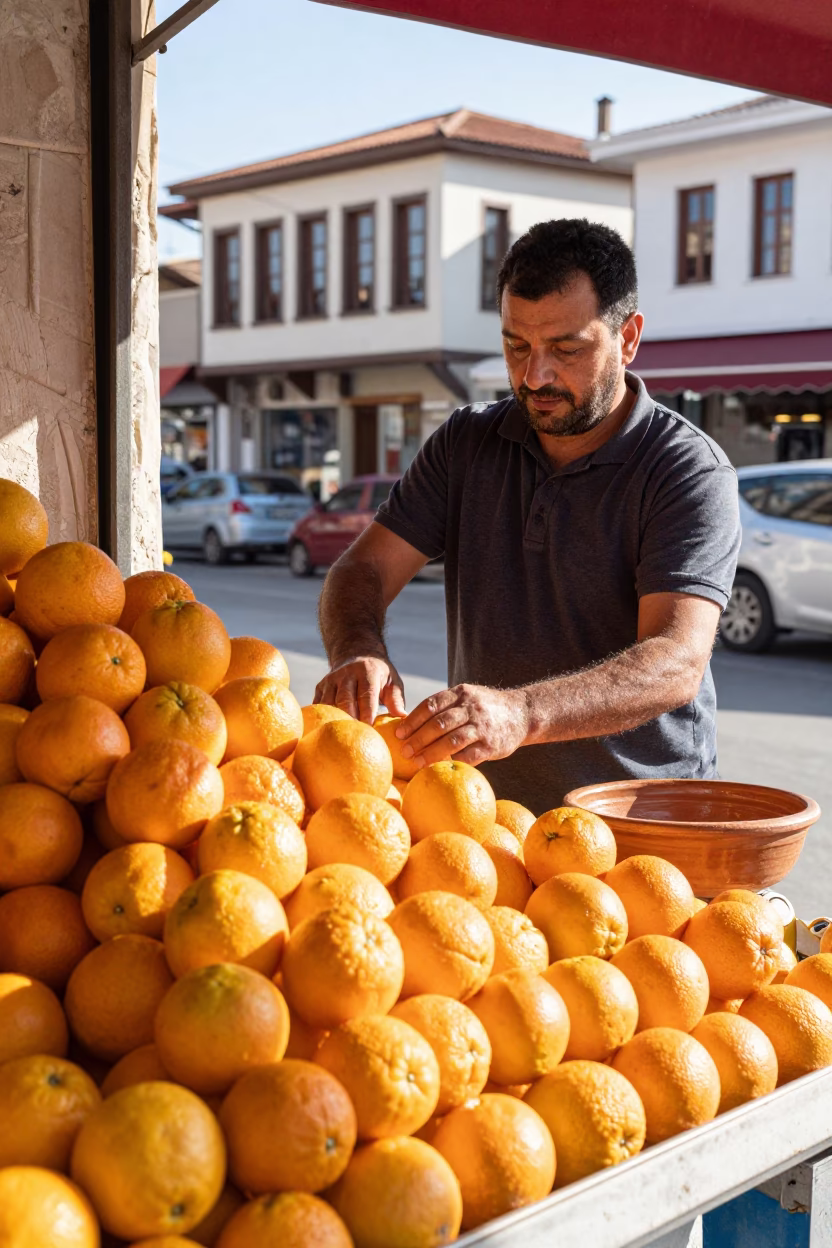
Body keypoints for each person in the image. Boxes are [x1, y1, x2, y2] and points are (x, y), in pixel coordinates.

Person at [315, 219, 741, 811]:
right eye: (517, 346)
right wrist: (359, 650)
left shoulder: (686, 469)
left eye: (566, 349)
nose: (535, 375)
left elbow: (675, 661)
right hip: (485, 819)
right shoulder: (465, 441)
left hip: (643, 820)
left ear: (628, 338)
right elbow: (361, 570)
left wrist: (521, 712)